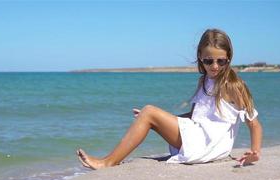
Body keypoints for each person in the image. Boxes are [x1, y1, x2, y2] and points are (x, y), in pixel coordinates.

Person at [76, 28, 263, 170]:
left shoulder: (233, 86)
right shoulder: (205, 80)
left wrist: (255, 153)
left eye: (220, 61)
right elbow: (197, 115)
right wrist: (160, 121)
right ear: (200, 57)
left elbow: (254, 124)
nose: (214, 66)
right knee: (149, 115)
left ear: (228, 58)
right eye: (208, 61)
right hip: (200, 137)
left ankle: (107, 162)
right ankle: (113, 157)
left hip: (208, 145)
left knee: (150, 111)